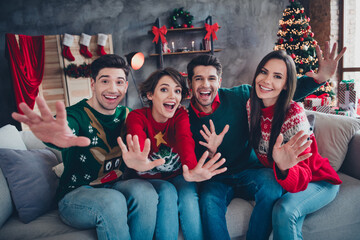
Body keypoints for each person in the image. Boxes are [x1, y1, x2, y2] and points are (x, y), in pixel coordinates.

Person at [186, 42, 346, 240]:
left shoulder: (242, 97)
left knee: (272, 189)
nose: (205, 84)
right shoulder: (186, 119)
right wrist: (210, 153)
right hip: (218, 177)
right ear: (190, 85)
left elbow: (281, 92)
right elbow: (189, 160)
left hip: (254, 171)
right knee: (208, 201)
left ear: (220, 81)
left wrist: (319, 79)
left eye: (211, 78)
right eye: (198, 79)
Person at [11, 54, 163, 240]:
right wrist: (56, 135)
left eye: (119, 82)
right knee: (113, 202)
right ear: (93, 84)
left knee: (146, 192)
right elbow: (64, 127)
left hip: (115, 185)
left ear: (126, 86)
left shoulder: (127, 115)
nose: (112, 89)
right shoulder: (76, 114)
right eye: (105, 81)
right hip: (75, 195)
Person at [117, 67, 227, 240]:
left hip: (179, 175)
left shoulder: (180, 115)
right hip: (147, 178)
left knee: (189, 199)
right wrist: (138, 158)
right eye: (164, 89)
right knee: (168, 193)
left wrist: (191, 169)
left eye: (177, 91)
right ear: (150, 95)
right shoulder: (136, 116)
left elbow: (185, 138)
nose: (172, 96)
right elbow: (136, 136)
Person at [247, 50, 342, 240]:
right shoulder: (252, 106)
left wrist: (283, 167)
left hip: (318, 180)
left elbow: (303, 176)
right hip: (289, 178)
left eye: (277, 76)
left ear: (285, 85)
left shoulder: (294, 114)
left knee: (284, 210)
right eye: (264, 72)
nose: (266, 80)